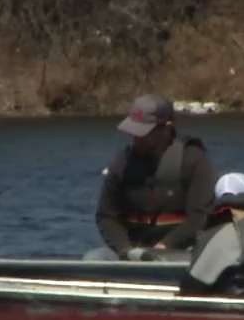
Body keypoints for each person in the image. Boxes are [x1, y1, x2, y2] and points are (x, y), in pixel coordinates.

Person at [89, 94, 216, 261]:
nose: (137, 137)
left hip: (179, 251)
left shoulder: (193, 159)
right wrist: (125, 249)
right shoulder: (122, 162)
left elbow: (200, 216)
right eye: (133, 131)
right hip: (132, 249)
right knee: (94, 258)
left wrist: (165, 246)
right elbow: (106, 215)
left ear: (166, 127)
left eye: (144, 132)